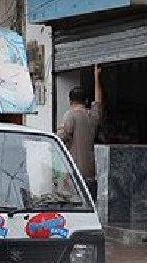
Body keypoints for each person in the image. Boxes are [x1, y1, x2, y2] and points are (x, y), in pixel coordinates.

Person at [57, 65, 102, 199]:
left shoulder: (70, 115)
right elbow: (98, 102)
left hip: (73, 174)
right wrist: (96, 78)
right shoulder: (92, 116)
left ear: (70, 101)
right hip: (90, 172)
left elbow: (61, 138)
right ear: (86, 101)